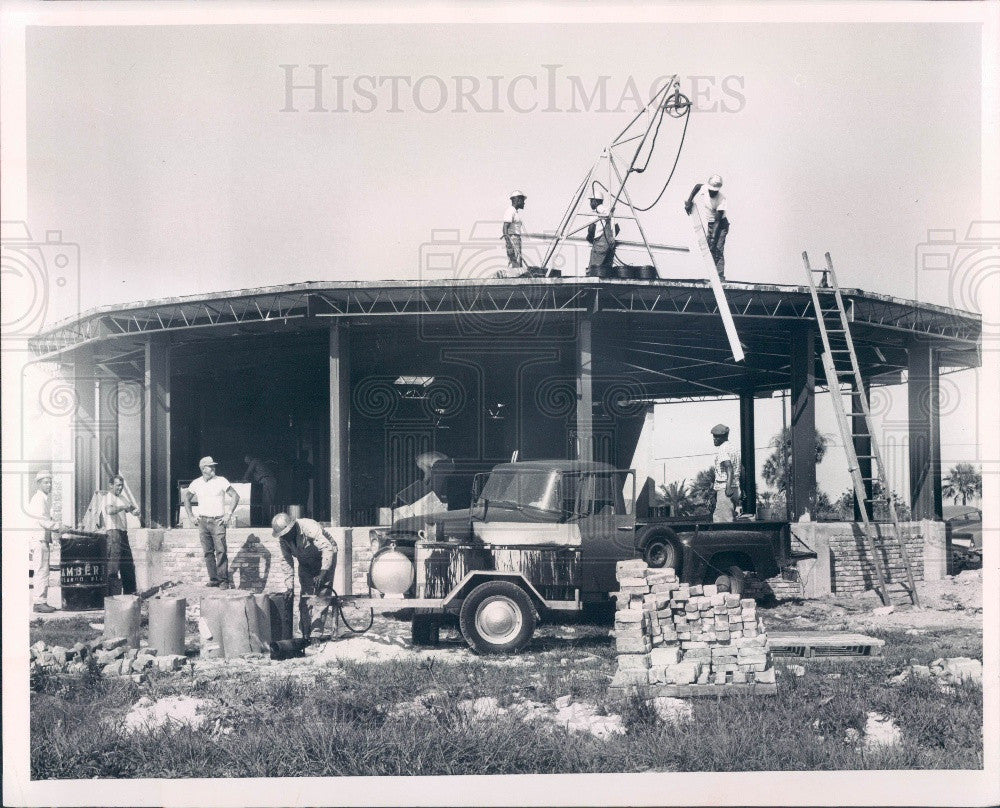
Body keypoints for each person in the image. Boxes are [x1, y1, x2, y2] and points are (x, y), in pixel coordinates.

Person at [271, 512, 338, 637]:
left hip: (325, 556)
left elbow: (327, 548)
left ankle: (316, 634)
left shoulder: (309, 526)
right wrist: (289, 587)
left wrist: (323, 573)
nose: (285, 537)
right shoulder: (284, 539)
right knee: (305, 596)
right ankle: (304, 632)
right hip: (305, 560)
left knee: (321, 594)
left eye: (286, 534)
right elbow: (286, 561)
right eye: (282, 535)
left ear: (292, 527)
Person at [184, 456, 240, 588]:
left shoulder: (221, 481)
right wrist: (191, 516)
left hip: (218, 521)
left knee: (221, 551)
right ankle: (214, 579)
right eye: (211, 466)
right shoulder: (196, 483)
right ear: (204, 469)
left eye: (214, 466)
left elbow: (235, 496)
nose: (214, 468)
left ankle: (224, 581)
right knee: (208, 552)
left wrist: (228, 514)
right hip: (202, 521)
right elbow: (186, 498)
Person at [27, 470, 64, 613]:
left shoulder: (44, 499)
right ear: (38, 484)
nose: (49, 485)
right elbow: (42, 521)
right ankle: (39, 602)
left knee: (44, 570)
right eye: (45, 482)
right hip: (39, 539)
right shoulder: (38, 499)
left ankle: (42, 601)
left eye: (50, 482)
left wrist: (56, 525)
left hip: (43, 540)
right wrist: (58, 527)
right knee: (41, 571)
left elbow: (48, 520)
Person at [684, 174, 730, 279]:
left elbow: (718, 221)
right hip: (711, 224)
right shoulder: (705, 188)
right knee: (710, 249)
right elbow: (697, 186)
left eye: (715, 191)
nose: (712, 193)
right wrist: (689, 201)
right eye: (711, 190)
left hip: (721, 225)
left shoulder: (721, 200)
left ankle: (719, 276)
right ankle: (714, 274)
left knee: (717, 248)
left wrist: (713, 238)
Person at [102, 474, 140, 595]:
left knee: (127, 563)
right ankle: (111, 595)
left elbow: (131, 509)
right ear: (111, 485)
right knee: (113, 564)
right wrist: (124, 507)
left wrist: (135, 511)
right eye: (118, 485)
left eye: (122, 485)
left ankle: (130, 593)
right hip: (113, 533)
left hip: (123, 533)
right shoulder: (109, 497)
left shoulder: (122, 497)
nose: (120, 488)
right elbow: (109, 511)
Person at [585, 192, 620, 276]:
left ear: (595, 202)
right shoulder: (609, 211)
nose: (590, 204)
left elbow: (591, 229)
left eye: (591, 201)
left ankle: (592, 289)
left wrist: (589, 238)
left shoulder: (595, 212)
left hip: (600, 244)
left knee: (594, 270)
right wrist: (610, 239)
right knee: (606, 271)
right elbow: (617, 229)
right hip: (611, 244)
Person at [710, 424, 740, 523]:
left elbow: (729, 467)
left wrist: (728, 487)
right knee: (729, 519)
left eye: (717, 437)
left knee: (722, 523)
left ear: (724, 437)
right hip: (734, 489)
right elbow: (741, 470)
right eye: (714, 436)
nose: (714, 439)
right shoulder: (733, 449)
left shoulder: (723, 449)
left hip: (725, 489)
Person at [241, 454, 278, 523]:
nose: (246, 462)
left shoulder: (255, 461)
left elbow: (248, 472)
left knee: (268, 502)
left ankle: (269, 521)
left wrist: (243, 480)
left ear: (249, 458)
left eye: (246, 460)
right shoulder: (259, 464)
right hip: (269, 481)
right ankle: (268, 520)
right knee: (267, 501)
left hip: (267, 481)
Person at [502, 190, 526, 270]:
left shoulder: (514, 212)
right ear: (517, 200)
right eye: (522, 200)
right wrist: (509, 244)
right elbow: (505, 228)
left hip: (515, 239)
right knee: (514, 263)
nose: (524, 203)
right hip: (513, 239)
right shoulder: (510, 211)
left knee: (517, 263)